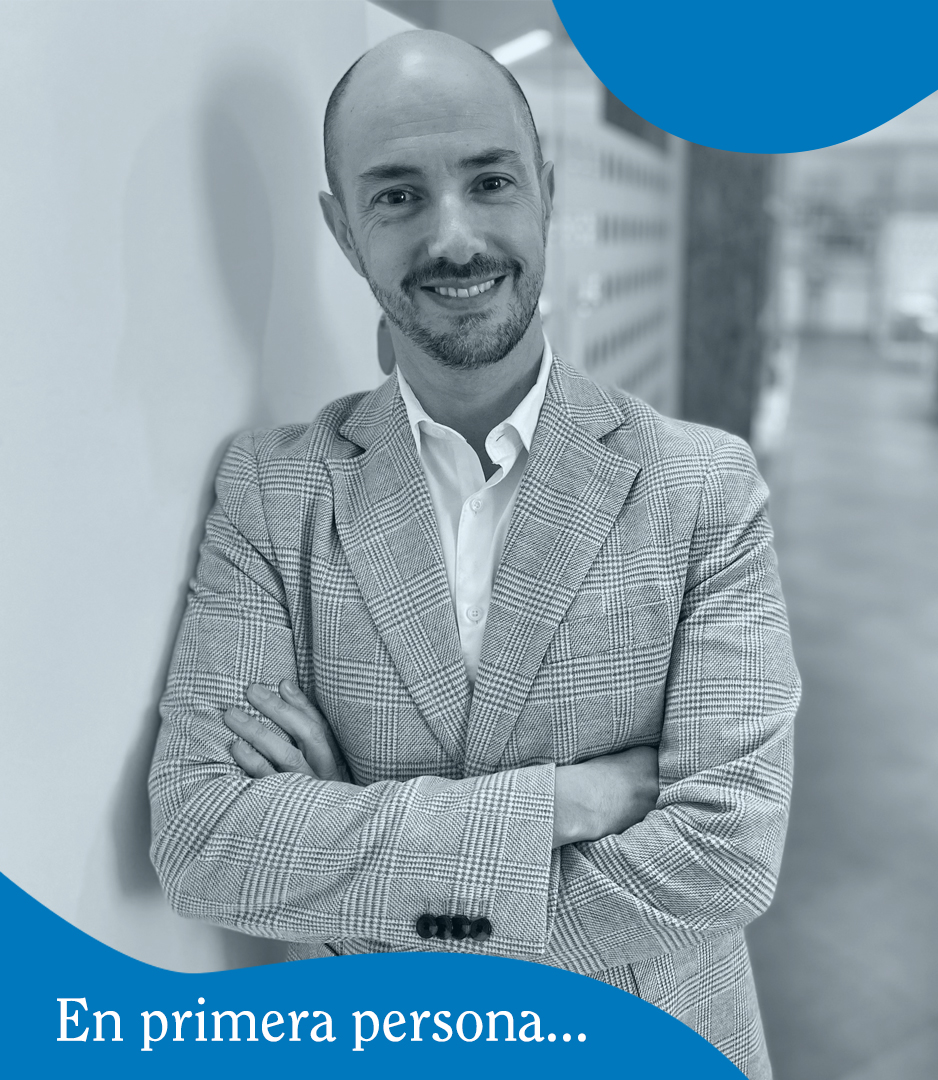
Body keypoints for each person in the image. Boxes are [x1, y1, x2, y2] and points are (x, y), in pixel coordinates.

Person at [149, 29, 799, 1079]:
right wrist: (565, 804)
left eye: (489, 181)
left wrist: (353, 862)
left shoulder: (701, 487)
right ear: (345, 231)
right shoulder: (273, 492)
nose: (454, 239)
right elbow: (202, 845)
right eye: (397, 196)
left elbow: (725, 859)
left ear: (544, 194)